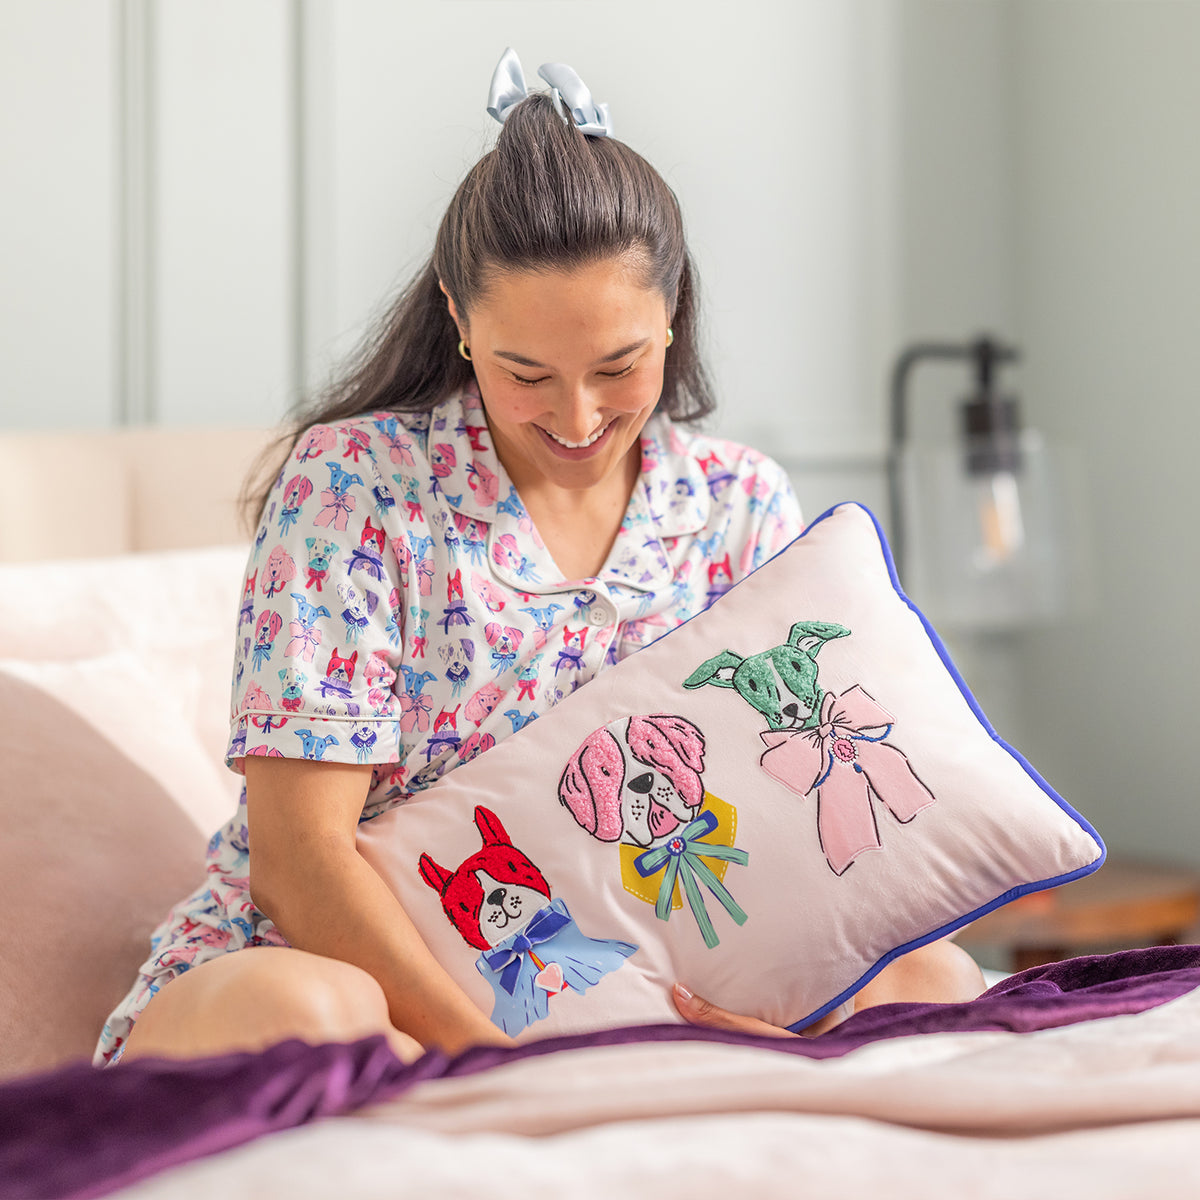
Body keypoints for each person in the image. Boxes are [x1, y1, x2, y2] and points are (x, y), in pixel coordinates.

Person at [96, 51, 982, 1068]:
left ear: (673, 314)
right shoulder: (353, 486)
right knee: (313, 1011)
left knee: (936, 981)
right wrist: (494, 1061)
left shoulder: (739, 503)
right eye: (527, 373)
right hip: (358, 979)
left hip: (636, 988)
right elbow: (297, 867)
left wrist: (794, 1004)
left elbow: (792, 830)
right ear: (459, 320)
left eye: (619, 366)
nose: (577, 416)